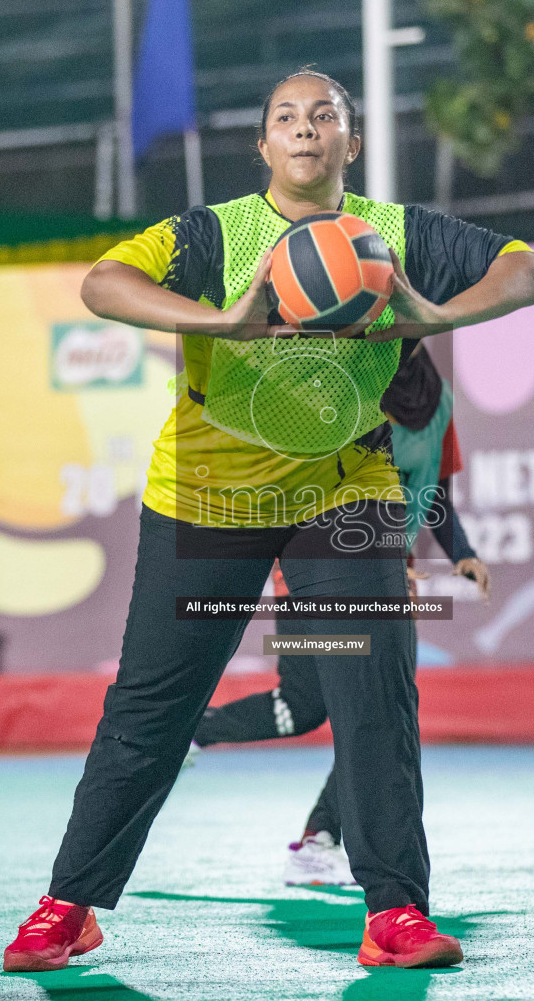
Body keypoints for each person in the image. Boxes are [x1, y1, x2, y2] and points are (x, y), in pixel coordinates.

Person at [1, 67, 534, 972]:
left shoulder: (398, 235)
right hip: (207, 495)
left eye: (325, 115)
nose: (306, 129)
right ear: (263, 146)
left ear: (352, 142)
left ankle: (395, 913)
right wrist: (221, 322)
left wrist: (429, 312)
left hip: (345, 491)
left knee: (375, 691)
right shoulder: (213, 235)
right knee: (150, 706)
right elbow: (102, 285)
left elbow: (531, 270)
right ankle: (68, 907)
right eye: (286, 118)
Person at [189, 345, 490, 888]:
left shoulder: (438, 401)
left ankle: (316, 841)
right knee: (306, 707)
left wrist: (462, 552)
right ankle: (192, 734)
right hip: (323, 568)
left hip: (391, 574)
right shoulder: (348, 390)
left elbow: (436, 489)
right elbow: (318, 486)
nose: (409, 330)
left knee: (378, 711)